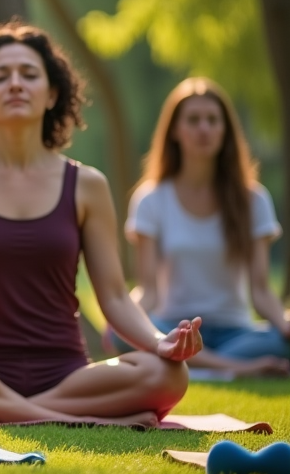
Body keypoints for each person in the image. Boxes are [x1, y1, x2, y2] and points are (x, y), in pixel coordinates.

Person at [0, 20, 202, 427]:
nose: (15, 84)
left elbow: (116, 298)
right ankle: (79, 420)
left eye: (29, 75)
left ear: (51, 94)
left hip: (67, 375)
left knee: (168, 373)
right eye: (1, 76)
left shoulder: (87, 185)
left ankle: (4, 416)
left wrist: (160, 342)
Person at [108, 78, 289, 377]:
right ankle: (239, 368)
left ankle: (193, 365)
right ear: (175, 131)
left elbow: (261, 291)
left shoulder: (254, 200)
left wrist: (284, 325)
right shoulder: (150, 200)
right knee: (122, 334)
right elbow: (149, 290)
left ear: (225, 130)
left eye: (212, 120)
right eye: (193, 120)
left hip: (237, 334)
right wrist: (123, 317)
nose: (203, 128)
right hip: (173, 329)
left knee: (280, 342)